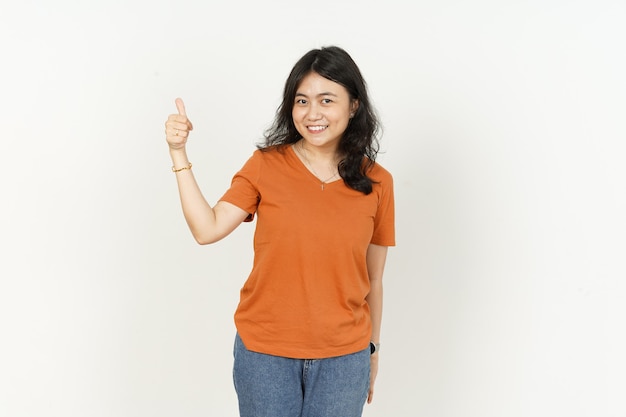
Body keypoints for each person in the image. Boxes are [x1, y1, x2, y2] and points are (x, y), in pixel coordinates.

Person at [164, 45, 395, 417]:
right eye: (302, 101)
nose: (313, 113)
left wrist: (373, 349)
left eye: (327, 100)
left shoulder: (378, 182)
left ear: (353, 106)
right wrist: (178, 152)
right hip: (265, 355)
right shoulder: (265, 166)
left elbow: (375, 279)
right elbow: (206, 229)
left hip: (344, 359)